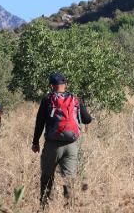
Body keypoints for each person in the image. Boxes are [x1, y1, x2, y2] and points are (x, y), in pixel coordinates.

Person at [32, 73, 92, 206]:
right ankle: (69, 206)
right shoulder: (75, 99)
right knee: (68, 179)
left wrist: (35, 142)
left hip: (52, 145)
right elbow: (87, 119)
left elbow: (40, 123)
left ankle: (44, 205)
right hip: (71, 145)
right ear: (65, 85)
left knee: (47, 177)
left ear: (51, 85)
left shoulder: (47, 99)